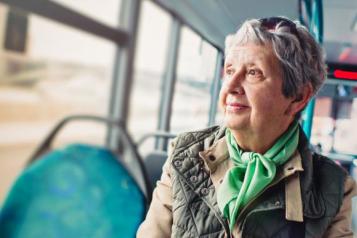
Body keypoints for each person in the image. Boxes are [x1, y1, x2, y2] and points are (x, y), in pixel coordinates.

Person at [137, 17, 357, 238]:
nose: (231, 86)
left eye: (254, 73)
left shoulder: (333, 187)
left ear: (298, 97)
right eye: (230, 71)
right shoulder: (185, 154)